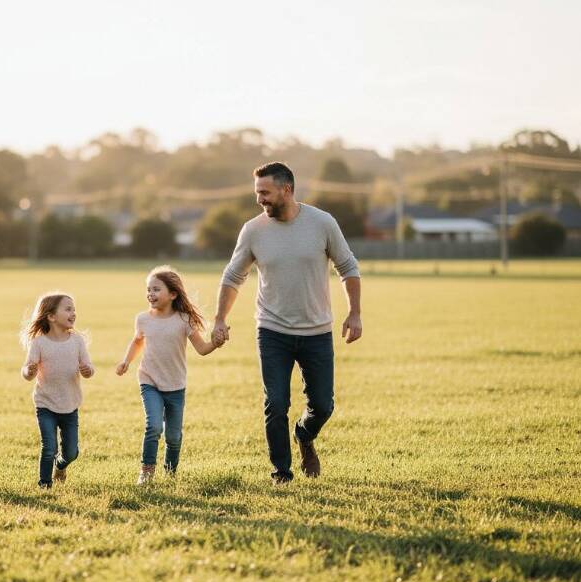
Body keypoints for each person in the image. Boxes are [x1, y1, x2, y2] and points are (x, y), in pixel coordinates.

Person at [212, 162, 362, 484]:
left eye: (265, 192)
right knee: (276, 403)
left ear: (287, 189)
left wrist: (354, 313)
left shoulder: (322, 223)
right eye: (257, 193)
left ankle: (304, 435)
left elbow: (348, 267)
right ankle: (282, 472)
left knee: (322, 405)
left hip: (316, 331)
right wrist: (220, 319)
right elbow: (233, 276)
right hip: (272, 331)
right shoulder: (253, 230)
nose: (260, 199)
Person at [116, 266, 224, 485]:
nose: (150, 294)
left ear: (173, 294)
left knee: (173, 437)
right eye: (148, 289)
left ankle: (170, 472)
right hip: (149, 381)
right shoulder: (143, 319)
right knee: (154, 426)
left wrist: (216, 343)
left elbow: (202, 349)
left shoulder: (184, 320)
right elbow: (137, 341)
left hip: (175, 385)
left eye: (156, 289)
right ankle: (146, 472)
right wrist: (126, 361)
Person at [21, 293, 94, 488]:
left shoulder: (77, 341)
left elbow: (88, 368)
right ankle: (45, 485)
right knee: (49, 447)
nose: (73, 313)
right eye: (68, 309)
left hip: (70, 405)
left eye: (74, 309)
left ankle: (60, 466)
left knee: (71, 452)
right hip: (45, 404)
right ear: (51, 316)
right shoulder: (39, 343)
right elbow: (27, 372)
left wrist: (87, 370)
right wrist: (29, 371)